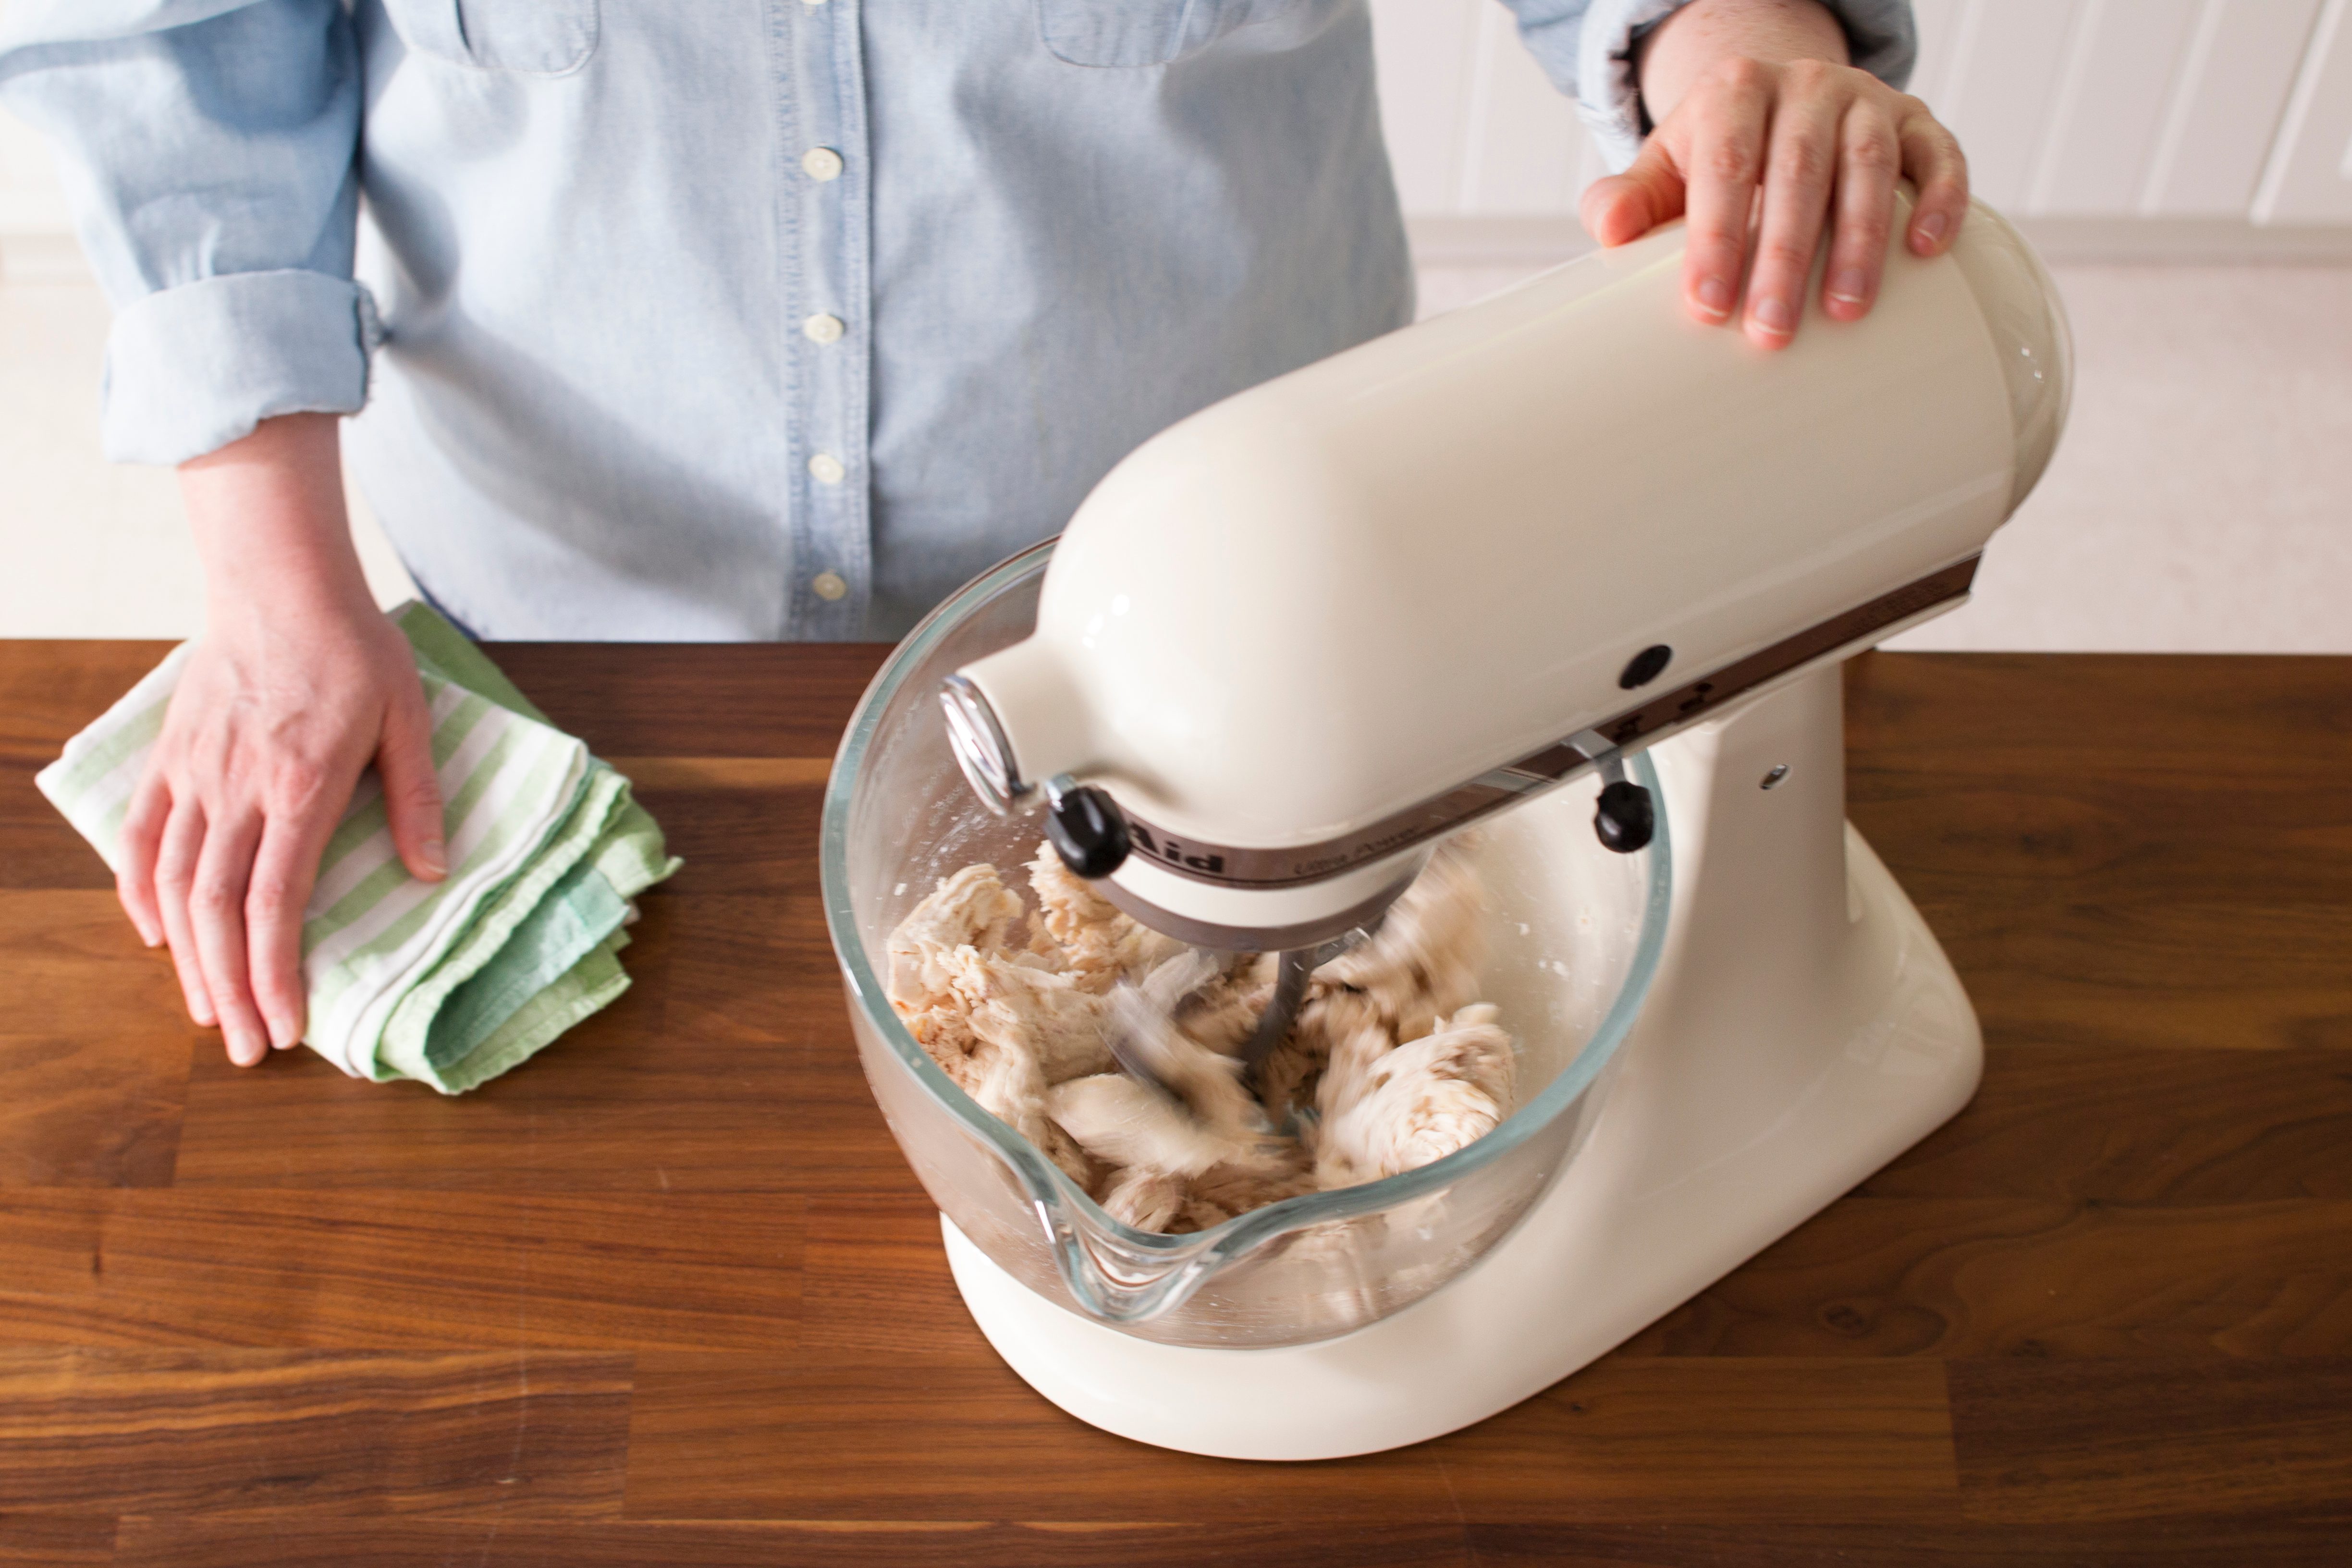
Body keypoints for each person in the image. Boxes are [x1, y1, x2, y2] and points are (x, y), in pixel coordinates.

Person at [0, 0, 1963, 1067]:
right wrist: (273, 581)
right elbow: (172, 37)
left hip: (1259, 597)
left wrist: (1739, 49)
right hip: (578, 624)